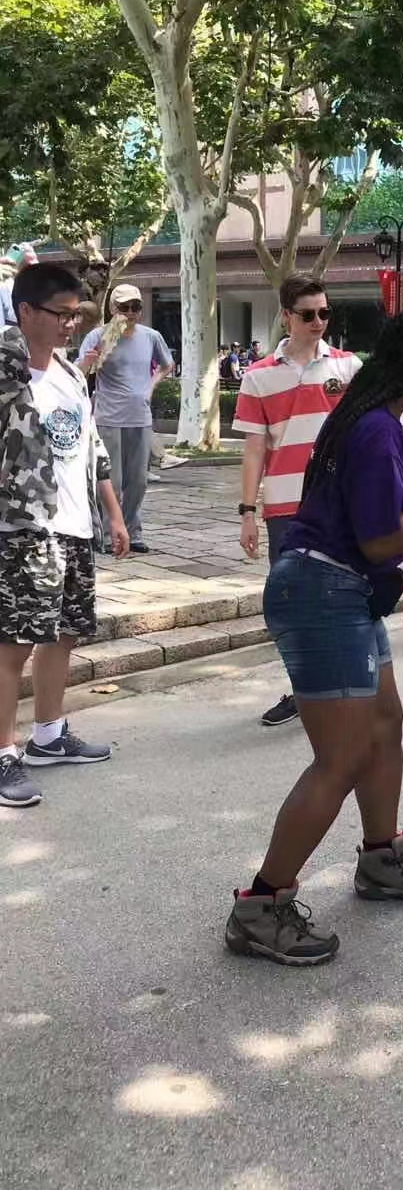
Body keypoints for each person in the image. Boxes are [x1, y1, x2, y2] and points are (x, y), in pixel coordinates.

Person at [225, 307, 403, 967]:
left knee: (385, 725)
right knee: (343, 757)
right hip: (322, 592)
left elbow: (379, 509)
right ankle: (260, 904)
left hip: (338, 589)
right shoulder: (376, 429)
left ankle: (382, 859)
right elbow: (382, 538)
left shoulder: (370, 421)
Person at [0, 263, 129, 810]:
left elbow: (92, 447)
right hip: (22, 527)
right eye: (60, 314)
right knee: (14, 643)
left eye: (76, 315)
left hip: (75, 527)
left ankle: (48, 735)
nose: (70, 324)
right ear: (26, 311)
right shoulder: (5, 372)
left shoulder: (72, 374)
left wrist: (115, 514)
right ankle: (4, 752)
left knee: (66, 632)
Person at [233, 275, 360, 727]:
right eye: (308, 314)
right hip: (285, 507)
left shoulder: (347, 368)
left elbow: (369, 433)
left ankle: (343, 689)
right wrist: (248, 512)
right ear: (286, 316)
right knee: (289, 604)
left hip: (339, 505)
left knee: (342, 597)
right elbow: (253, 451)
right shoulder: (259, 376)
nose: (318, 322)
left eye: (325, 313)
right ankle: (302, 689)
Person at [77, 283, 174, 553]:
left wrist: (150, 387)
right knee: (113, 482)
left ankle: (132, 530)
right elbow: (77, 372)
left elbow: (167, 365)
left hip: (140, 417)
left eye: (135, 307)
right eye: (124, 308)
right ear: (112, 309)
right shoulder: (98, 336)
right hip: (108, 417)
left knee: (139, 480)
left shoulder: (151, 336)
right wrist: (90, 361)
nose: (130, 313)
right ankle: (110, 535)